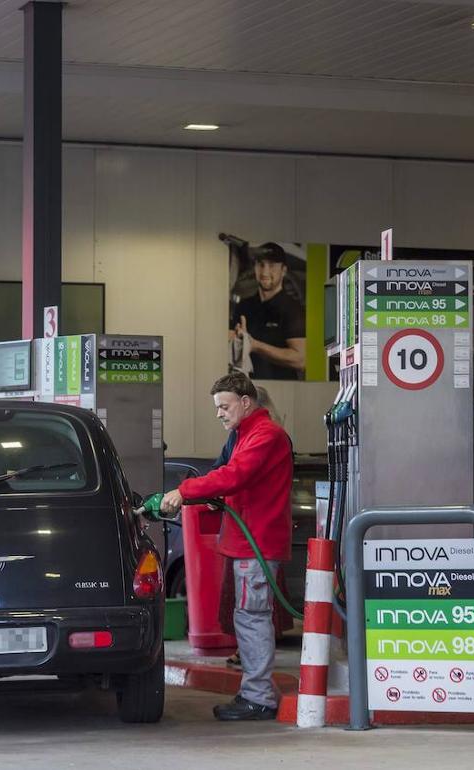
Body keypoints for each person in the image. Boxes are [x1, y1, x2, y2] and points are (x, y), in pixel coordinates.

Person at [161, 373, 293, 720]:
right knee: (247, 617)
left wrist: (184, 491)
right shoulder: (240, 435)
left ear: (246, 402)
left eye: (224, 406)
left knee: (252, 618)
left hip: (257, 544)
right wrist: (186, 491)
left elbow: (235, 475)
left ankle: (259, 697)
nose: (219, 413)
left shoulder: (266, 435)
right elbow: (222, 471)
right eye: (217, 407)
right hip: (244, 542)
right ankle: (254, 690)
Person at [230, 243, 306, 380]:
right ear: (255, 267)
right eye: (261, 264)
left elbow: (300, 360)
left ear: (283, 270)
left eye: (272, 265)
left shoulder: (293, 309)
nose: (265, 272)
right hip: (246, 388)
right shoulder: (244, 305)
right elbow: (230, 340)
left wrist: (255, 346)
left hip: (281, 389)